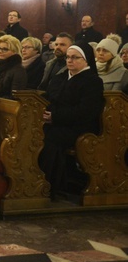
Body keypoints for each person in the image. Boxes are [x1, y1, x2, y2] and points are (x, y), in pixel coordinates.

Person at [39, 43, 104, 199]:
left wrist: (55, 117)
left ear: (86, 60)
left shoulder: (92, 81)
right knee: (34, 134)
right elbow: (48, 99)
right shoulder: (60, 77)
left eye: (75, 57)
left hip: (80, 127)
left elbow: (85, 112)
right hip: (55, 122)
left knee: (49, 138)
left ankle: (49, 186)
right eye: (68, 57)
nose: (70, 60)